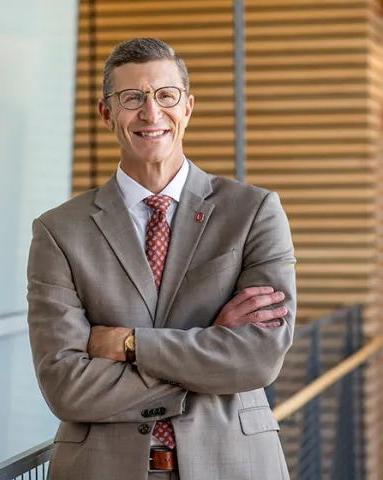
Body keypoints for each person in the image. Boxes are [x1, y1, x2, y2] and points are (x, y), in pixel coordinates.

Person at [27, 37, 296, 480]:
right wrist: (209, 344)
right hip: (102, 468)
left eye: (165, 96)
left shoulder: (253, 212)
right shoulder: (58, 230)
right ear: (106, 113)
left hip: (232, 463)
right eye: (131, 98)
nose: (151, 113)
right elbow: (66, 388)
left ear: (187, 107)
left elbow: (259, 358)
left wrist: (129, 344)